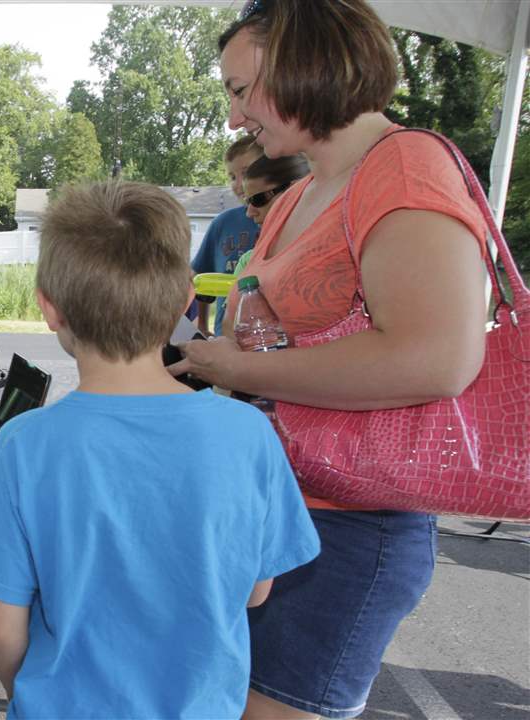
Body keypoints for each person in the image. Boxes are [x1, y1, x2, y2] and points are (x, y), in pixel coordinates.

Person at [171, 1, 490, 717]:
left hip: (351, 524)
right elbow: (272, 340)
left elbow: (437, 358)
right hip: (283, 510)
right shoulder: (303, 191)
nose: (233, 117)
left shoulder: (405, 169)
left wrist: (237, 370)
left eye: (240, 88)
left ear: (305, 62)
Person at [0, 180, 320, 718]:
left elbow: (0, 630)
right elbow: (255, 593)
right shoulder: (249, 433)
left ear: (50, 309)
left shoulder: (23, 445)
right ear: (184, 299)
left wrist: (32, 696)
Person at [191, 135, 263, 336]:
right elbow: (200, 278)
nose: (239, 184)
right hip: (227, 335)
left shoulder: (282, 218)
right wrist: (203, 325)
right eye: (232, 177)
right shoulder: (222, 223)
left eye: (246, 173)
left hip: (268, 335)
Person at [232, 153, 311, 280]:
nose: (250, 212)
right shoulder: (249, 262)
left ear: (296, 189)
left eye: (258, 199)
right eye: (248, 202)